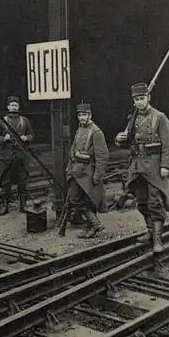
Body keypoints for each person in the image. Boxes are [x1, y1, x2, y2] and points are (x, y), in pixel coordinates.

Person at [115, 83, 169, 253]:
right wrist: (119, 139)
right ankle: (150, 232)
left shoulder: (160, 117)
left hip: (155, 166)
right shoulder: (132, 119)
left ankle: (157, 239)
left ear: (148, 98)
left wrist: (166, 166)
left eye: (142, 98)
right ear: (133, 101)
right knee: (141, 201)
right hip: (138, 165)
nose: (140, 102)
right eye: (136, 99)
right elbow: (126, 143)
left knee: (155, 201)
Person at [66, 102, 109, 238]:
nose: (82, 117)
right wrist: (69, 168)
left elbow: (102, 156)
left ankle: (94, 225)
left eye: (84, 114)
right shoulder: (80, 129)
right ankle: (93, 225)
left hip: (88, 173)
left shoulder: (96, 132)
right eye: (79, 115)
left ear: (90, 115)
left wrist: (97, 175)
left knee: (88, 200)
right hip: (76, 171)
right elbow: (73, 150)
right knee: (75, 199)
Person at [0, 96, 34, 215]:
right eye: (12, 105)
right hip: (6, 155)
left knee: (22, 181)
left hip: (21, 156)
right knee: (6, 182)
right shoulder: (2, 121)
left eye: (16, 105)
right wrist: (3, 138)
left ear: (18, 107)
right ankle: (5, 206)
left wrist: (27, 138)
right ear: (8, 107)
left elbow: (31, 134)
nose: (14, 107)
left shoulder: (24, 120)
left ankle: (23, 205)